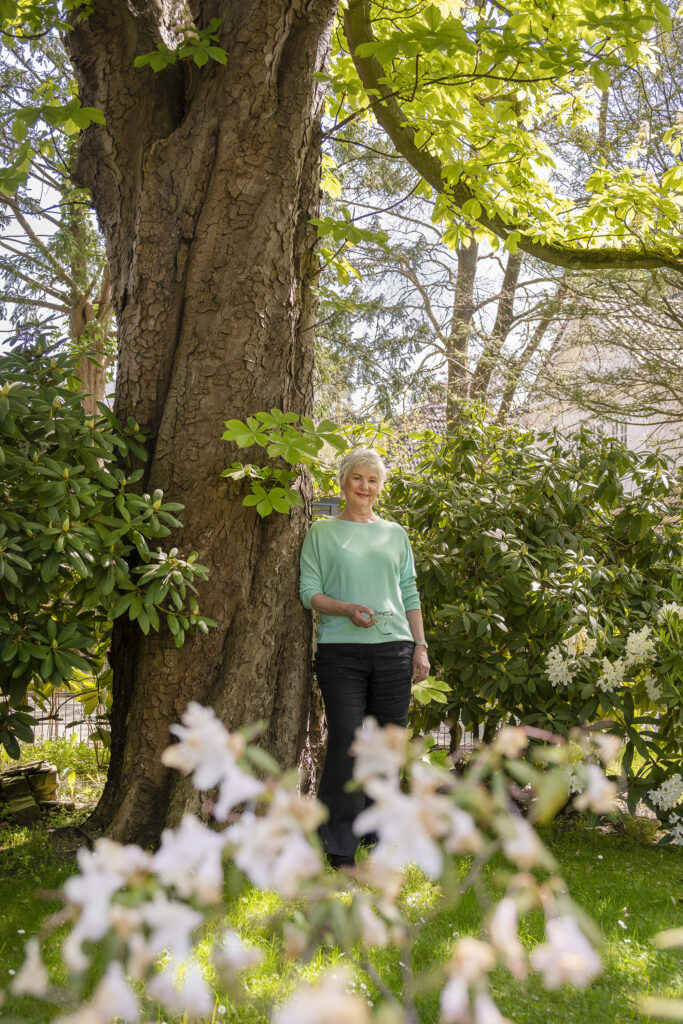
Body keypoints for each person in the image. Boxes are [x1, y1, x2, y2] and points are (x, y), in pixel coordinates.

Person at [299, 447, 430, 867]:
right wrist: (346, 609)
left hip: (395, 649)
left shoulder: (395, 533)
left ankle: (379, 833)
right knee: (349, 741)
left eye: (373, 480)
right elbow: (309, 592)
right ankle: (337, 843)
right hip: (342, 653)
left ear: (380, 487)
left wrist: (420, 646)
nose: (365, 487)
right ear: (343, 481)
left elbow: (409, 591)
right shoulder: (322, 532)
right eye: (358, 478)